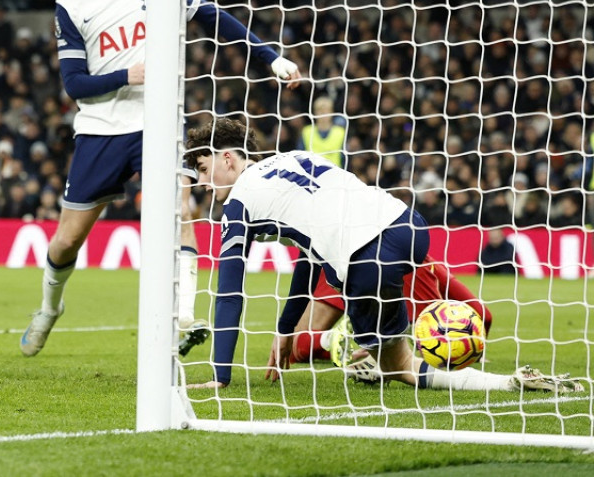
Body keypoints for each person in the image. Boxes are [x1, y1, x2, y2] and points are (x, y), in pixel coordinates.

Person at [19, 0, 302, 358]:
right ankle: (50, 308)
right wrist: (127, 75)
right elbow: (74, 84)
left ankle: (185, 316)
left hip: (159, 124)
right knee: (68, 238)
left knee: (180, 214)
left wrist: (270, 56)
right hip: (101, 131)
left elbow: (212, 15)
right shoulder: (71, 4)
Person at [183, 116, 580, 394]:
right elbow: (309, 257)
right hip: (409, 226)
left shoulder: (240, 203)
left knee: (399, 367)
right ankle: (364, 345)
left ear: (228, 159)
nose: (202, 182)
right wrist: (286, 328)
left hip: (368, 259)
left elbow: (230, 293)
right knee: (447, 319)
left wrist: (221, 374)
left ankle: (511, 382)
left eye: (203, 168)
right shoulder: (296, 158)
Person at [287, 252, 493, 368]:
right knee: (299, 349)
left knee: (299, 348)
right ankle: (356, 342)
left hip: (391, 258)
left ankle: (364, 343)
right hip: (404, 251)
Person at [299, 96, 346, 168]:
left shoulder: (340, 132)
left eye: (327, 110)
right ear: (315, 113)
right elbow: (299, 156)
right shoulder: (307, 131)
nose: (324, 114)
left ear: (332, 112)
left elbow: (344, 158)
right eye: (320, 111)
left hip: (335, 174)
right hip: (312, 174)